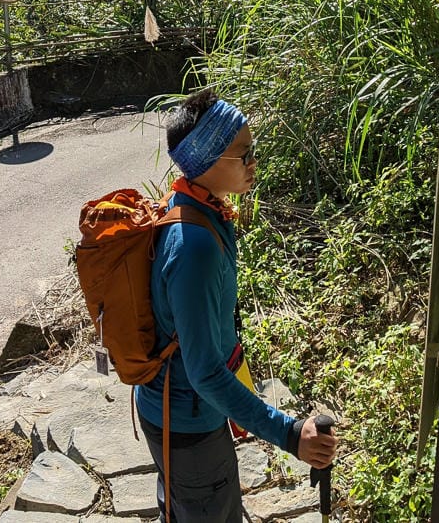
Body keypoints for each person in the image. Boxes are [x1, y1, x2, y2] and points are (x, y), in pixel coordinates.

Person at [134, 88, 338, 522]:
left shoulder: (192, 205)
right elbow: (206, 373)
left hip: (173, 413)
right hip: (188, 426)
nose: (253, 162)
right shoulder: (196, 247)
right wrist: (289, 433)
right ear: (206, 160)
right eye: (244, 154)